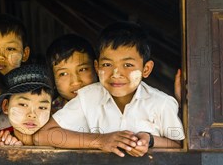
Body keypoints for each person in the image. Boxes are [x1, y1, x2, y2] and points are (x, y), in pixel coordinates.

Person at [34, 21, 184, 157]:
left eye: (128, 65)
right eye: (107, 64)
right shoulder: (87, 98)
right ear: (97, 66)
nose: (116, 74)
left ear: (146, 69)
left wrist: (149, 139)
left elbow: (180, 145)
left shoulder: (162, 103)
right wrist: (100, 141)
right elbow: (42, 136)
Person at [0, 64, 54, 146]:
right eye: (23, 104)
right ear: (6, 106)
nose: (32, 115)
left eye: (42, 107)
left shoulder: (63, 140)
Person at [45, 34, 98, 113]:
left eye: (82, 69)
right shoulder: (47, 115)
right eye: (63, 74)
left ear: (96, 68)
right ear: (53, 79)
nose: (76, 82)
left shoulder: (113, 105)